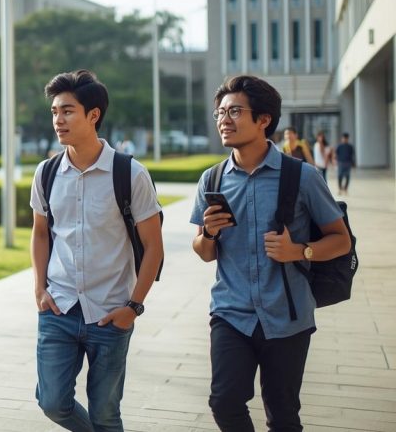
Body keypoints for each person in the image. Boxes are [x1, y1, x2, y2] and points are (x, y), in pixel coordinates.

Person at [191, 75, 351, 431]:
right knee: (224, 402)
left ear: (264, 120)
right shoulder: (212, 180)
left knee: (282, 415)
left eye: (234, 111)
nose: (223, 120)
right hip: (231, 313)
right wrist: (210, 233)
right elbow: (203, 251)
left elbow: (341, 240)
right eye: (220, 112)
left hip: (287, 315)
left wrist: (299, 250)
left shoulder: (302, 177)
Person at [29, 70, 164, 432]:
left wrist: (133, 307)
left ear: (93, 115)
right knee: (52, 402)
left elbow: (154, 246)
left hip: (110, 311)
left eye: (68, 111)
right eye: (55, 112)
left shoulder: (130, 173)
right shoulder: (46, 173)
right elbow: (41, 234)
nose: (59, 119)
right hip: (59, 308)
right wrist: (40, 289)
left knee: (106, 415)